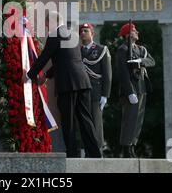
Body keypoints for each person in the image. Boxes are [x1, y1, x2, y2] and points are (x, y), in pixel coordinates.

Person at [24, 12, 101, 158]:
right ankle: (95, 153)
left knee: (69, 120)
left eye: (46, 23)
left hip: (67, 84)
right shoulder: (72, 35)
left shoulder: (54, 35)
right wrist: (47, 75)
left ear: (51, 21)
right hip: (83, 82)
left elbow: (44, 58)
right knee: (86, 119)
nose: (46, 26)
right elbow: (65, 59)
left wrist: (28, 75)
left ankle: (72, 154)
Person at [117, 22, 155, 158]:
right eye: (134, 31)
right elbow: (122, 72)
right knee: (129, 119)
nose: (137, 32)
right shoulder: (123, 49)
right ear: (127, 35)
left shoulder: (141, 49)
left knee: (138, 120)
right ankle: (126, 147)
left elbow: (152, 61)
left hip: (142, 88)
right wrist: (129, 92)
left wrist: (140, 61)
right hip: (131, 89)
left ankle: (132, 145)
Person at [80, 23, 112, 152]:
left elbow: (107, 74)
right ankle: (86, 149)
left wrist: (105, 95)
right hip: (82, 91)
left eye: (86, 30)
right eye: (81, 31)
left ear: (92, 33)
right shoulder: (78, 51)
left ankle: (97, 149)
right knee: (83, 122)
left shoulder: (101, 49)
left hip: (96, 91)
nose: (83, 33)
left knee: (96, 122)